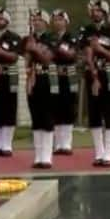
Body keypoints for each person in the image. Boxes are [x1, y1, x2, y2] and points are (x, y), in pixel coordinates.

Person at [81, 0, 110, 167]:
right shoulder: (86, 31)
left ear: (104, 13)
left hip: (109, 74)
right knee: (94, 113)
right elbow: (87, 54)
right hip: (93, 74)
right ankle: (99, 152)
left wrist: (100, 49)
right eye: (93, 10)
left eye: (98, 10)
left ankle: (109, 152)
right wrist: (94, 76)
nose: (95, 13)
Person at [0, 7, 22, 158]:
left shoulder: (14, 37)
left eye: (1, 18)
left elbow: (14, 57)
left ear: (7, 21)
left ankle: (7, 144)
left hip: (9, 75)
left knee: (9, 107)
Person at [25, 9, 57, 169]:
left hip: (47, 78)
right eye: (34, 19)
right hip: (33, 78)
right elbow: (27, 61)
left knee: (47, 116)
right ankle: (38, 156)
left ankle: (47, 156)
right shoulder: (29, 39)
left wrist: (34, 48)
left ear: (45, 22)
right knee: (36, 117)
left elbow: (47, 59)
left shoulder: (52, 39)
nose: (36, 22)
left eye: (39, 19)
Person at [50, 9, 79, 155]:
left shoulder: (72, 37)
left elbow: (71, 55)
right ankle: (57, 142)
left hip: (69, 74)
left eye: (60, 19)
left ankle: (66, 143)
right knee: (55, 107)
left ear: (66, 22)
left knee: (69, 106)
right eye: (55, 20)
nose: (57, 22)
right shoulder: (50, 37)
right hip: (54, 74)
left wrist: (57, 48)